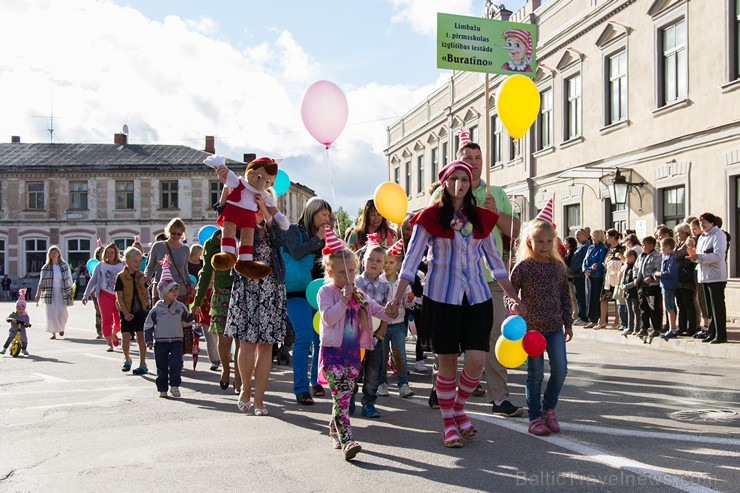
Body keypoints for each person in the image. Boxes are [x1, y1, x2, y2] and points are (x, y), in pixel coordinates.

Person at [391, 160, 522, 448]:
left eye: (464, 179)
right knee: (447, 364)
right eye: (453, 179)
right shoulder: (430, 218)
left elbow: (495, 262)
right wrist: (396, 296)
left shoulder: (481, 218)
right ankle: (449, 422)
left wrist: (511, 293)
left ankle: (459, 408)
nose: (459, 184)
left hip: (477, 297)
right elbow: (411, 261)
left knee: (476, 363)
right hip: (442, 298)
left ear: (470, 182)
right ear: (444, 183)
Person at [431, 141, 523, 417]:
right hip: (450, 281)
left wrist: (495, 214)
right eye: (467, 158)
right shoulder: (443, 190)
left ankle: (500, 398)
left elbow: (518, 231)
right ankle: (441, 388)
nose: (473, 162)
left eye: (477, 157)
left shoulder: (496, 193)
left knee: (494, 337)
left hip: (489, 280)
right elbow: (432, 228)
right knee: (448, 340)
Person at [318, 245, 398, 460]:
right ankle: (348, 440)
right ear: (330, 273)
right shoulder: (326, 292)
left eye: (352, 270)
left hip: (353, 354)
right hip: (333, 353)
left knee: (342, 397)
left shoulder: (359, 294)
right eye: (342, 272)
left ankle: (334, 429)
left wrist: (391, 311)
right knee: (342, 395)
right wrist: (344, 300)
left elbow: (380, 312)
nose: (349, 275)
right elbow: (328, 319)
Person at [505, 219, 572, 436]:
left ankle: (549, 408)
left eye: (548, 241)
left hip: (554, 327)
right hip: (531, 329)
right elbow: (510, 293)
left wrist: (568, 323)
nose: (544, 245)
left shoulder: (558, 267)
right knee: (535, 374)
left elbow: (565, 297)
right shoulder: (523, 266)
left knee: (560, 370)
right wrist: (514, 305)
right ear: (529, 242)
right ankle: (535, 417)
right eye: (539, 241)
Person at [224, 193, 287, 416]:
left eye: (262, 202)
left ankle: (259, 400)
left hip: (271, 289)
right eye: (255, 202)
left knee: (266, 346)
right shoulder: (242, 224)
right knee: (247, 343)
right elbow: (222, 212)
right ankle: (245, 390)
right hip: (246, 288)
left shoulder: (274, 224)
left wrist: (268, 213)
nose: (258, 207)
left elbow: (281, 241)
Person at [284, 197, 333, 405]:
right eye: (324, 214)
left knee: (320, 340)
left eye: (329, 215)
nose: (327, 219)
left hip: (321, 293)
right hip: (297, 292)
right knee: (303, 338)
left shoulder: (329, 233)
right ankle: (301, 389)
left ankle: (316, 381)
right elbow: (295, 252)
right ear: (313, 212)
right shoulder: (293, 230)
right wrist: (317, 240)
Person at [192, 229, 240, 390]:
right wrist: (197, 301)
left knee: (241, 338)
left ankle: (239, 375)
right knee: (223, 337)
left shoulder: (244, 235)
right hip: (221, 294)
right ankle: (226, 370)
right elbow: (206, 272)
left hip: (241, 291)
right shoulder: (212, 243)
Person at [144, 218, 196, 356]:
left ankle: (178, 354)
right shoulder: (158, 246)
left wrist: (190, 284)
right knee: (161, 322)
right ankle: (161, 351)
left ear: (183, 234)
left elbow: (185, 271)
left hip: (180, 290)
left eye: (179, 234)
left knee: (180, 323)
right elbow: (150, 267)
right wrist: (145, 278)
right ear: (168, 231)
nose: (176, 236)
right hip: (161, 290)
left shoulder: (185, 249)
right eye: (173, 233)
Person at [144, 255, 193, 398]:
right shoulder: (156, 309)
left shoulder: (180, 306)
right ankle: (162, 388)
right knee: (162, 366)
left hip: (177, 340)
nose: (175, 293)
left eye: (176, 290)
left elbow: (187, 318)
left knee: (176, 363)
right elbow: (148, 324)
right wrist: (148, 340)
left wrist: (195, 313)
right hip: (160, 342)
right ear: (163, 292)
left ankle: (175, 385)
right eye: (172, 290)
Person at [352, 237, 390, 416]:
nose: (374, 263)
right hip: (355, 336)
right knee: (353, 369)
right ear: (362, 261)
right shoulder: (355, 283)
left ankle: (369, 401)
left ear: (383, 265)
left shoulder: (385, 286)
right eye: (370, 259)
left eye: (378, 260)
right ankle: (349, 398)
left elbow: (386, 314)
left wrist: (381, 335)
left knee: (374, 371)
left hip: (375, 336)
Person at [378, 240, 414, 398]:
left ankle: (403, 384)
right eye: (385, 262)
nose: (387, 265)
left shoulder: (403, 283)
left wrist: (410, 300)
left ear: (399, 265)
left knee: (400, 355)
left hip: (399, 325)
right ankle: (382, 383)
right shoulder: (379, 281)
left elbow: (407, 305)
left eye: (391, 262)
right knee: (382, 355)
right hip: (382, 325)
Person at [688, 212, 728, 344]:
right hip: (704, 275)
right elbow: (699, 256)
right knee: (709, 307)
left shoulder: (719, 235)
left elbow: (718, 255)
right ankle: (712, 331)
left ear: (712, 223)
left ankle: (720, 334)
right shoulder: (703, 237)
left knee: (717, 306)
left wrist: (699, 257)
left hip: (716, 276)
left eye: (704, 222)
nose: (702, 225)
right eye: (700, 223)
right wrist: (695, 257)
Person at [83, 243, 124, 351]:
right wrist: (86, 295)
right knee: (106, 319)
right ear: (104, 254)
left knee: (119, 320)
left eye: (112, 253)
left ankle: (114, 334)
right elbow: (93, 281)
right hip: (104, 294)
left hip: (118, 295)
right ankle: (109, 343)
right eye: (108, 253)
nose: (110, 255)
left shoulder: (122, 265)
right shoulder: (100, 265)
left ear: (116, 254)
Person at [115, 247, 149, 374]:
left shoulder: (141, 276)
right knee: (126, 338)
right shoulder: (121, 277)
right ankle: (127, 358)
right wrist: (125, 313)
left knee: (141, 338)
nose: (137, 264)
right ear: (127, 261)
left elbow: (146, 296)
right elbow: (119, 297)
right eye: (135, 261)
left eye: (139, 261)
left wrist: (142, 285)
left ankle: (143, 363)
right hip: (126, 311)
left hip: (139, 310)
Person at [35, 246, 73, 340]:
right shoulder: (46, 267)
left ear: (59, 254)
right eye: (52, 253)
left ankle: (61, 327)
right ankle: (53, 333)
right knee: (51, 313)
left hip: (62, 291)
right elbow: (41, 281)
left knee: (62, 312)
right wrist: (38, 293)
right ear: (49, 255)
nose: (53, 254)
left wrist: (71, 290)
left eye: (55, 252)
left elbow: (69, 278)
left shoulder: (64, 265)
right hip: (49, 292)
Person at [633, 236, 662, 340]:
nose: (643, 247)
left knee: (653, 308)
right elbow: (635, 268)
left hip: (652, 287)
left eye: (644, 245)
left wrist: (651, 278)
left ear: (651, 245)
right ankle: (644, 327)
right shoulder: (641, 256)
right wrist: (635, 277)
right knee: (643, 308)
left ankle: (656, 328)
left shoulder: (657, 256)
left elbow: (659, 269)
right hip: (642, 286)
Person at [673, 223, 697, 336]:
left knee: (688, 304)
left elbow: (677, 254)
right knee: (680, 304)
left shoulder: (688, 242)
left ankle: (691, 328)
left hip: (686, 278)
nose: (677, 235)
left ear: (684, 232)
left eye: (679, 232)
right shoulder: (679, 243)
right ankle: (682, 327)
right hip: (678, 278)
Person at [582, 229, 608, 328]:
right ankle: (591, 319)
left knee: (595, 298)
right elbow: (585, 260)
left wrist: (591, 270)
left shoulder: (603, 248)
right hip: (588, 275)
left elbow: (600, 263)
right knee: (588, 297)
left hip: (597, 276)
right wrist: (586, 269)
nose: (592, 238)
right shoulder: (590, 247)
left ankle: (598, 318)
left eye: (594, 236)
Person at [599, 229, 624, 329]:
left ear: (614, 237)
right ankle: (602, 321)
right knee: (603, 298)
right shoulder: (609, 248)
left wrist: (609, 264)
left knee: (615, 298)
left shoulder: (620, 248)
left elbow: (620, 262)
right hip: (607, 276)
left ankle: (617, 321)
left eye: (608, 236)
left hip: (615, 276)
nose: (607, 238)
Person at [656, 238, 679, 340]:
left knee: (670, 307)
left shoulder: (671, 258)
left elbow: (671, 272)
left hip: (669, 285)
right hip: (664, 285)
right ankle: (671, 328)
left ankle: (673, 329)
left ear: (668, 247)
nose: (661, 248)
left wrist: (659, 274)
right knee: (668, 307)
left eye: (662, 246)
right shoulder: (665, 257)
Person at [569, 229, 590, 325]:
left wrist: (569, 271)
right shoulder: (581, 246)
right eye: (576, 235)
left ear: (584, 235)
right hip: (576, 275)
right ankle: (581, 316)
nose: (576, 237)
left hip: (580, 275)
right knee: (578, 296)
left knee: (581, 296)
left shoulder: (585, 247)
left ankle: (583, 317)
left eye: (578, 235)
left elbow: (579, 262)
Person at [2, 289, 31, 356]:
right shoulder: (14, 314)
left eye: (22, 309)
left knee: (25, 341)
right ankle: (4, 349)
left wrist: (27, 324)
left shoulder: (25, 316)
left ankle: (24, 349)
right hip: (13, 330)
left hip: (22, 331)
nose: (21, 311)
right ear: (16, 308)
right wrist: (9, 319)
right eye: (19, 309)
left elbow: (27, 321)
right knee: (10, 338)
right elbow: (8, 318)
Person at [620, 250, 640, 336]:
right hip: (627, 292)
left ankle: (637, 327)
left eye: (628, 257)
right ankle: (630, 327)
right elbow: (623, 278)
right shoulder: (627, 266)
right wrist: (622, 286)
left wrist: (627, 286)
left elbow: (636, 280)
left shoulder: (636, 266)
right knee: (629, 310)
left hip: (634, 291)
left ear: (633, 257)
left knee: (636, 309)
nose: (626, 259)